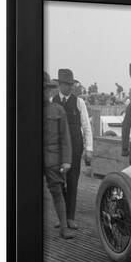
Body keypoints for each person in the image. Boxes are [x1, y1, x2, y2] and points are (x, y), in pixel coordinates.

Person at [52, 69, 93, 230]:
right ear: (59, 84)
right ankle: (61, 217)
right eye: (66, 84)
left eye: (71, 84)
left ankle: (70, 217)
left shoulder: (79, 102)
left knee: (72, 182)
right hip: (58, 148)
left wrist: (89, 149)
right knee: (58, 182)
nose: (69, 87)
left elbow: (87, 127)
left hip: (75, 147)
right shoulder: (52, 101)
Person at [43, 72, 75, 239]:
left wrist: (66, 161)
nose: (45, 93)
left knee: (57, 192)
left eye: (47, 89)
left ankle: (64, 227)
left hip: (54, 159)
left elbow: (66, 138)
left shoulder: (58, 110)